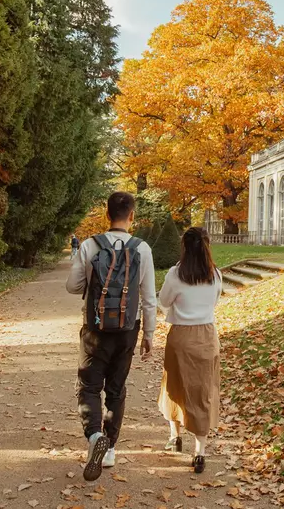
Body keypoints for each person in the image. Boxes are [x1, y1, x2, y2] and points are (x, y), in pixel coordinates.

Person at [66, 192, 156, 481]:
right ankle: (110, 448)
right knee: (116, 389)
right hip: (128, 329)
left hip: (95, 327)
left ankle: (94, 436)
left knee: (89, 386)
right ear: (132, 215)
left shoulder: (91, 245)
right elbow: (149, 297)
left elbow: (72, 286)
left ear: (107, 215)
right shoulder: (142, 249)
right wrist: (149, 335)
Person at [156, 227, 223, 474]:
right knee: (203, 390)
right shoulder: (215, 275)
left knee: (174, 385)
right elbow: (214, 302)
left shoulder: (176, 274)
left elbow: (163, 301)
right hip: (206, 334)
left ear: (184, 246)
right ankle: (200, 450)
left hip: (181, 335)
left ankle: (175, 437)